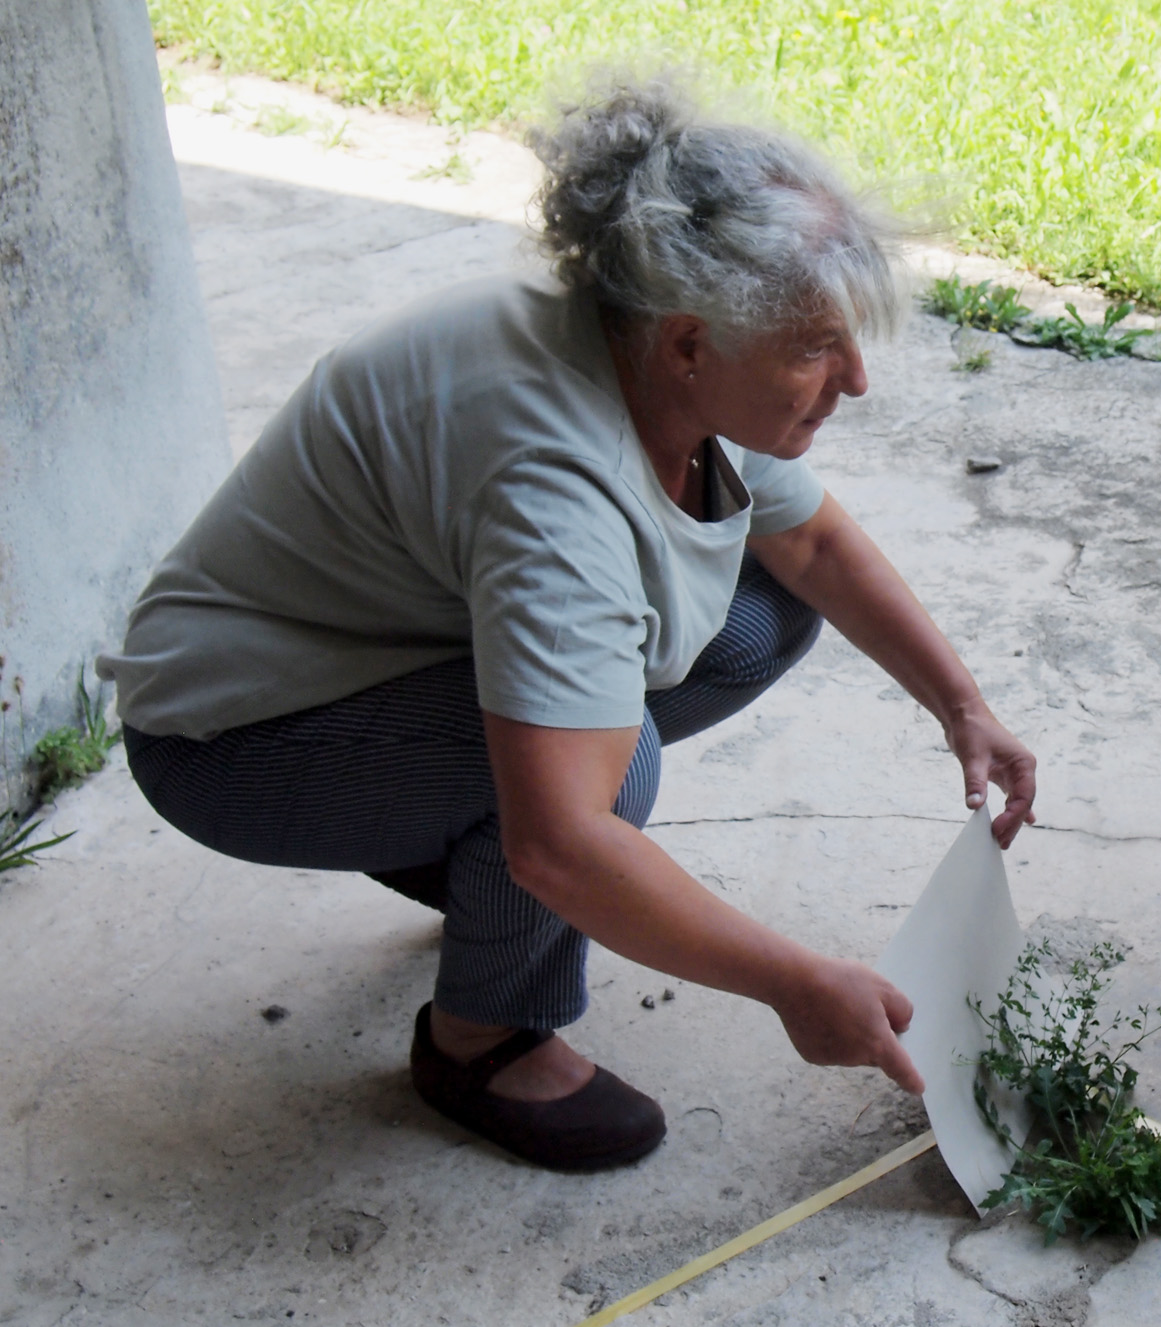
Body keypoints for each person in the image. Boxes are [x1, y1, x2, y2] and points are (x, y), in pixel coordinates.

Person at [98, 81, 1036, 1173]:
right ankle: (481, 1037)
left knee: (764, 614)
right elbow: (564, 838)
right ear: (690, 341)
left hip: (385, 656)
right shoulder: (554, 481)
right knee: (599, 781)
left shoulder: (652, 349)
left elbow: (817, 551)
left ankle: (456, 849)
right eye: (819, 347)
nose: (857, 381)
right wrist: (793, 983)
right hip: (237, 739)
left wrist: (963, 707)